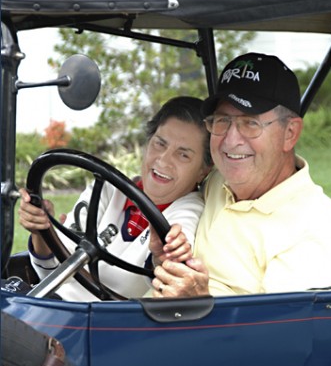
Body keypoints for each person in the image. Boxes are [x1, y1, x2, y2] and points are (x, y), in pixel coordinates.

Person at [151, 52, 331, 297]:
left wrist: (199, 304)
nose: (230, 140)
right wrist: (162, 257)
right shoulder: (218, 182)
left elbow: (283, 332)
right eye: (222, 120)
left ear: (290, 133)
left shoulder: (316, 228)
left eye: (250, 123)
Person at [18, 96, 213, 300]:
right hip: (50, 306)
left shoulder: (188, 210)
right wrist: (41, 231)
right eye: (159, 144)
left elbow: (172, 259)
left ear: (203, 170)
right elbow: (52, 273)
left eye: (183, 155)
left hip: (103, 325)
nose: (163, 160)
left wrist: (162, 258)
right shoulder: (106, 188)